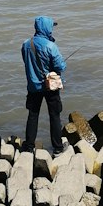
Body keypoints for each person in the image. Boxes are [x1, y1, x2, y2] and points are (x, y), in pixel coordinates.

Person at [22, 15, 68, 155]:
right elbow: (60, 66)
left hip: (33, 87)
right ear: (46, 28)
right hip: (50, 87)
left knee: (33, 115)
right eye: (51, 27)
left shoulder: (26, 44)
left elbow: (26, 62)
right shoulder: (50, 46)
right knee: (54, 115)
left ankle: (29, 147)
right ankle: (58, 148)